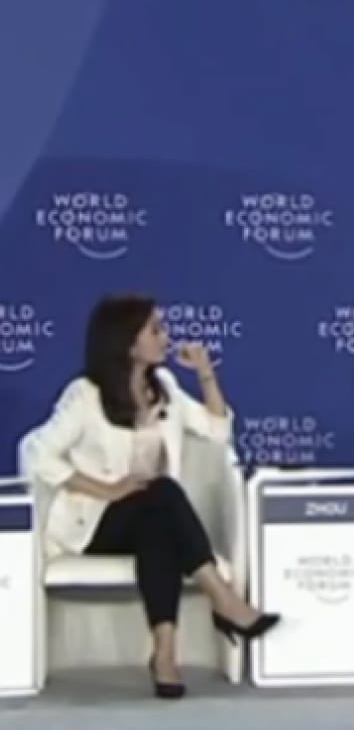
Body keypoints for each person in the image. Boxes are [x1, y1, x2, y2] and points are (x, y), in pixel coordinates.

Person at [22, 294, 279, 699]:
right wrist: (106, 489)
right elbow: (37, 453)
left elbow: (217, 431)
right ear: (127, 342)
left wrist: (206, 373)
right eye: (155, 330)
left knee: (158, 525)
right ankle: (223, 599)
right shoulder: (86, 395)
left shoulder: (166, 389)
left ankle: (165, 655)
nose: (166, 337)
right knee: (163, 493)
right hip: (92, 524)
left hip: (148, 519)